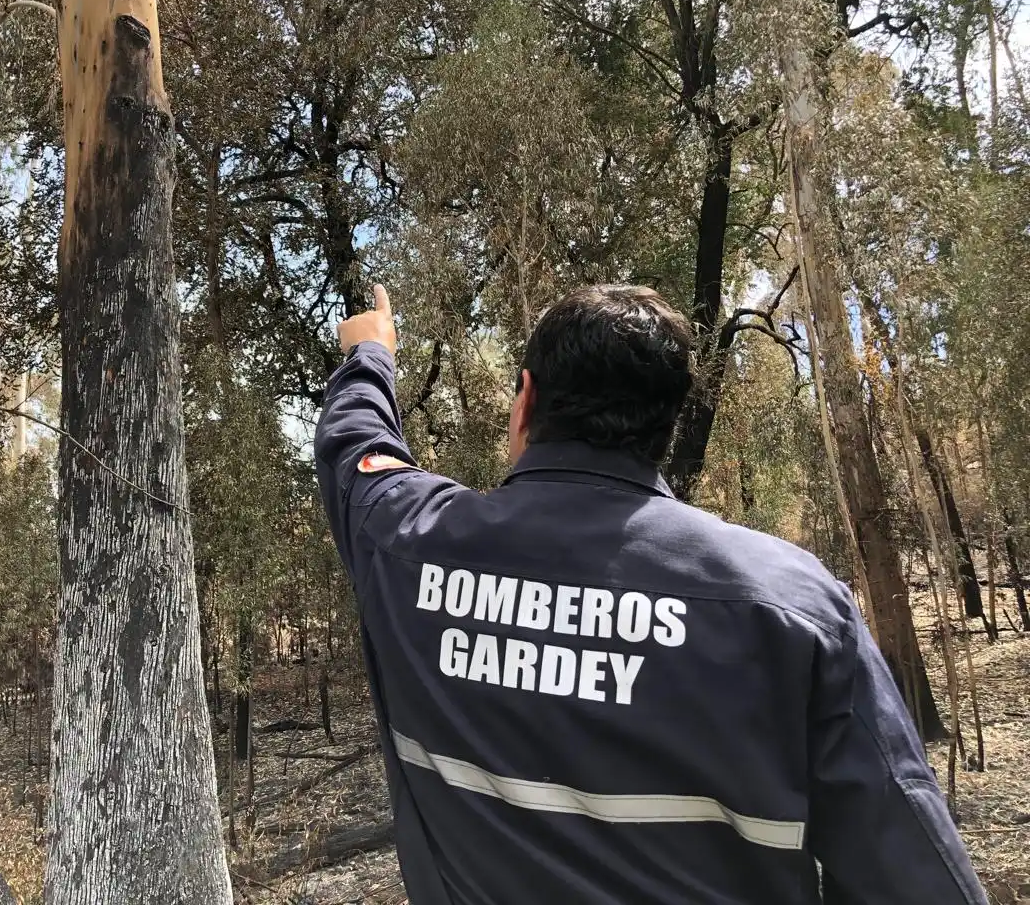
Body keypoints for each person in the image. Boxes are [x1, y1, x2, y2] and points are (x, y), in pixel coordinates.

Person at [314, 282, 988, 905]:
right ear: (665, 428)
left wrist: (370, 353)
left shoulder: (407, 544)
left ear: (525, 403)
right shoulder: (792, 606)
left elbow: (359, 450)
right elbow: (913, 877)